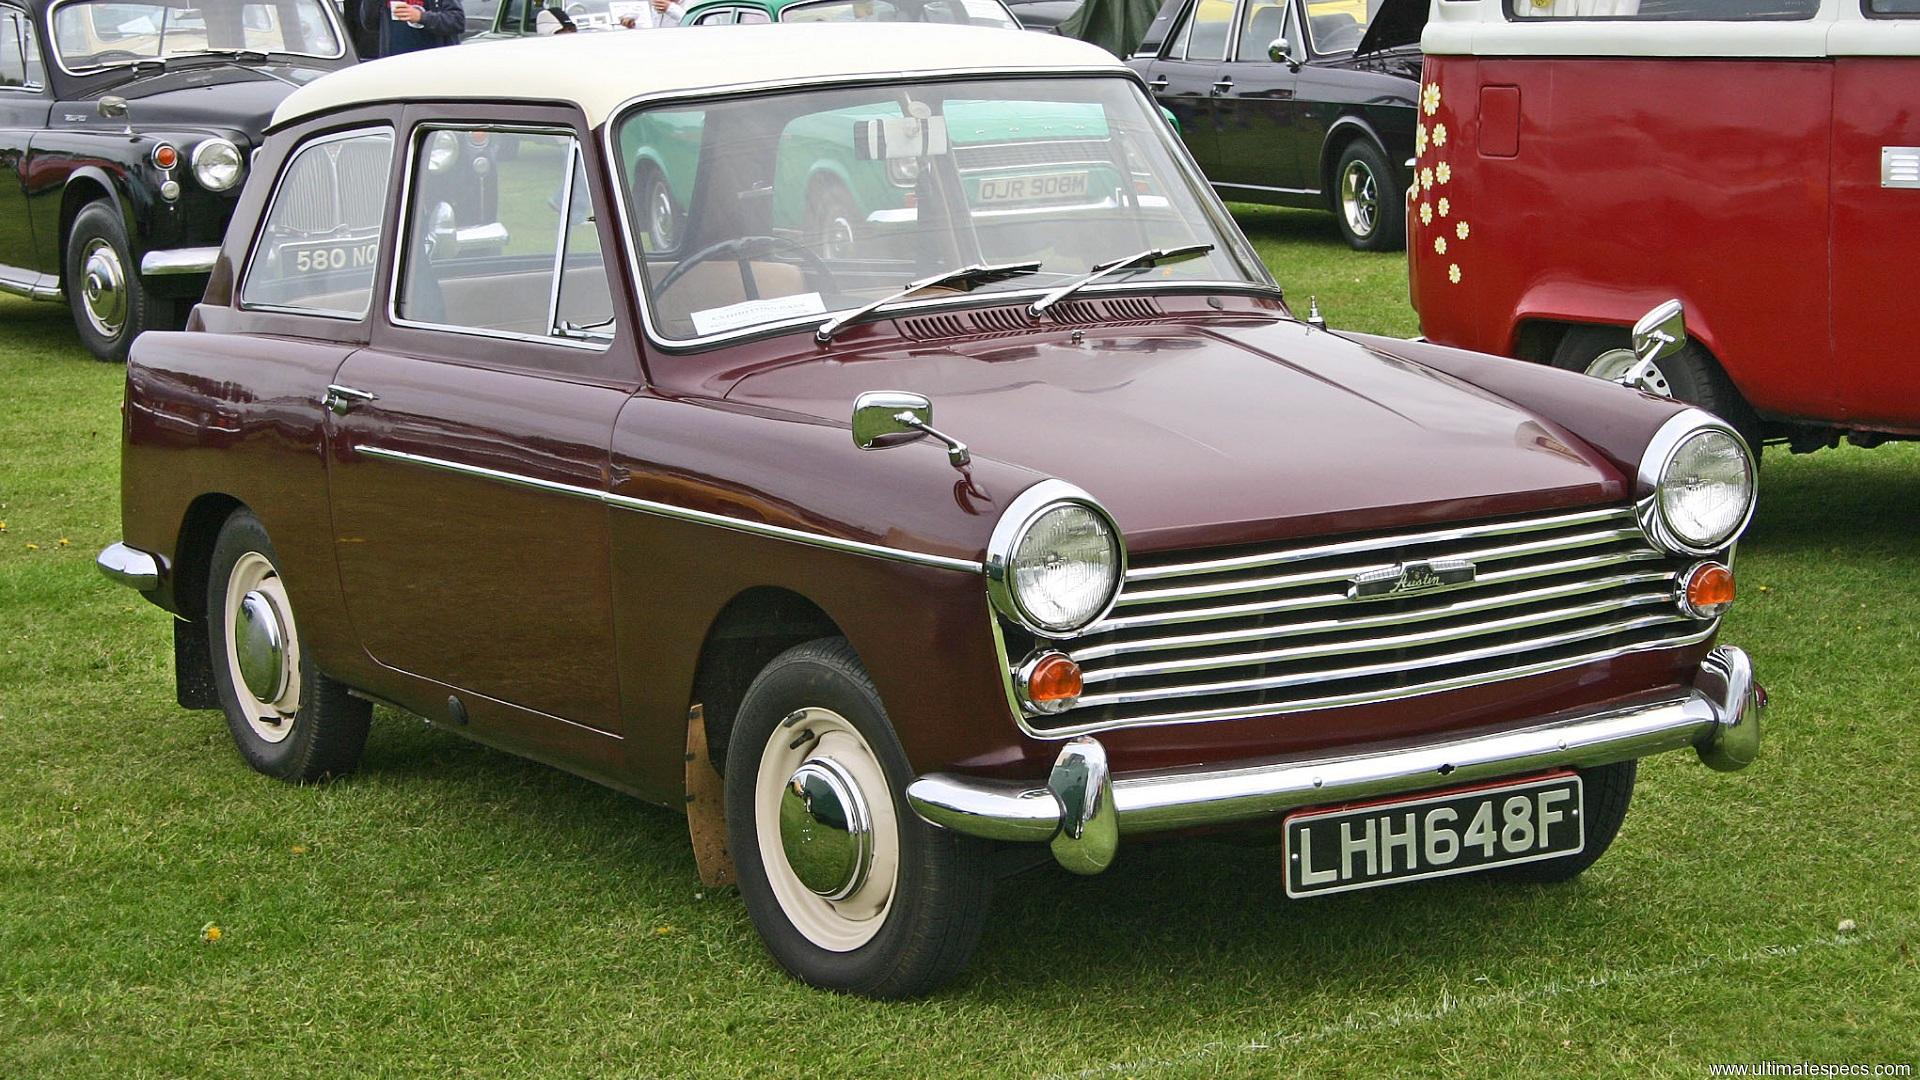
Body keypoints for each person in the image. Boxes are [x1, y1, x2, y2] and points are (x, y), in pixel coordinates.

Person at [358, 0, 466, 57]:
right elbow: (369, 24)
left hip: (430, 65)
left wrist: (421, 17)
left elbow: (457, 21)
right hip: (392, 64)